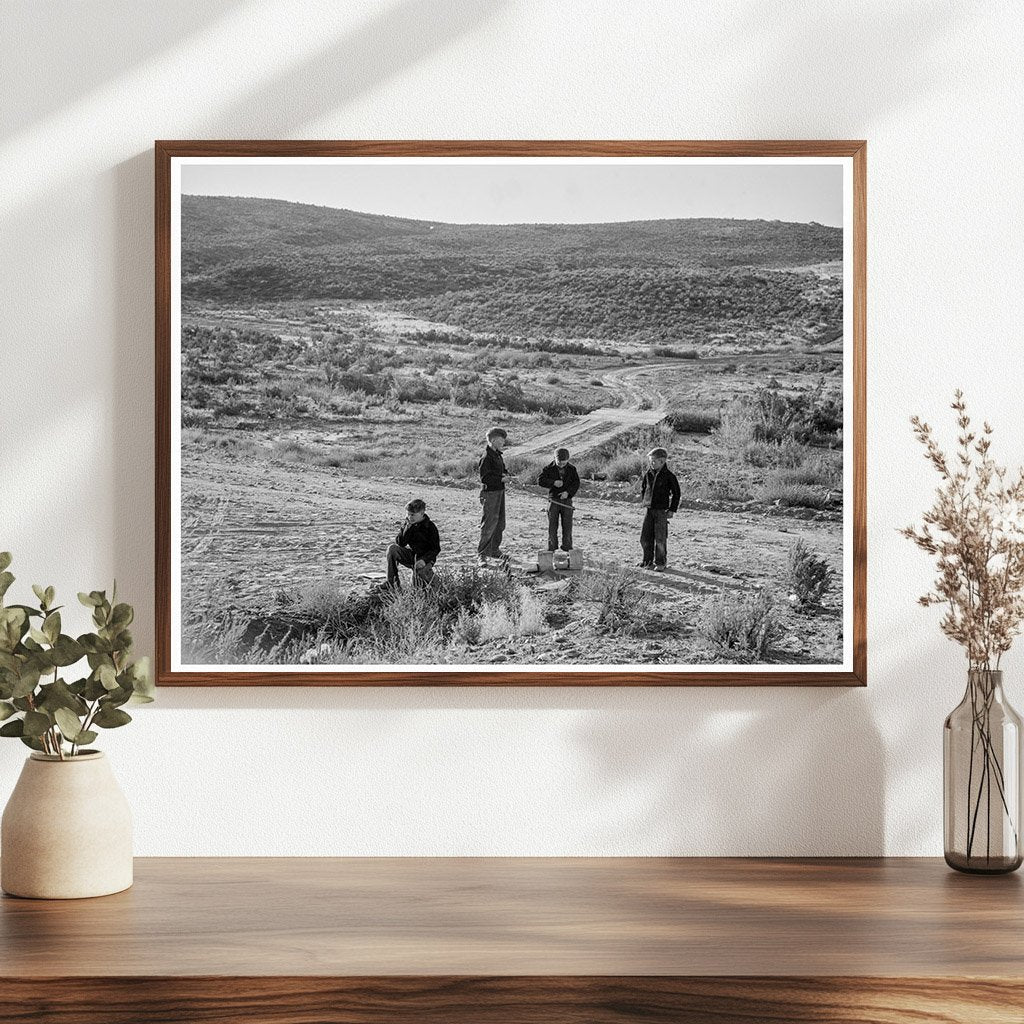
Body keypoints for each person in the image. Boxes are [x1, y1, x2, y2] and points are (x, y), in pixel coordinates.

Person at [638, 446, 680, 572]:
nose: (651, 463)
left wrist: (672, 509)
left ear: (662, 461)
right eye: (651, 461)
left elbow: (676, 493)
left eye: (654, 461)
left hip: (661, 511)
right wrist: (644, 502)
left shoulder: (669, 476)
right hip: (649, 510)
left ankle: (661, 563)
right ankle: (647, 561)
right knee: (645, 537)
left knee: (660, 538)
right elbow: (644, 488)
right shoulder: (648, 474)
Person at [386, 499, 440, 589]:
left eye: (413, 515)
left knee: (417, 588)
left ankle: (442, 588)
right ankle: (392, 583)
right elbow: (400, 543)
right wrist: (408, 528)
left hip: (425, 559)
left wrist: (424, 560)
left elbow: (435, 549)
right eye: (408, 514)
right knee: (392, 549)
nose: (410, 517)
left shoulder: (430, 527)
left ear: (422, 513)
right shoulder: (408, 523)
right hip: (412, 555)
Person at [477, 426, 511, 566]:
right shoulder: (486, 457)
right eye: (501, 440)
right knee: (489, 524)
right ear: (494, 440)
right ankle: (482, 554)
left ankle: (494, 549)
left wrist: (506, 474)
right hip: (490, 493)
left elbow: (501, 470)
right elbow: (484, 478)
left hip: (500, 492)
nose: (503, 443)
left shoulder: (497, 454)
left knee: (500, 523)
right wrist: (500, 479)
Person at [537, 447, 580, 552]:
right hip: (553, 500)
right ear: (554, 458)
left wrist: (568, 493)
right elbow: (540, 481)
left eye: (564, 463)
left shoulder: (572, 469)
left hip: (567, 501)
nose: (561, 465)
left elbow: (576, 483)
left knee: (567, 526)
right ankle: (552, 547)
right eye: (559, 463)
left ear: (568, 460)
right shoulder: (548, 469)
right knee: (552, 525)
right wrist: (553, 482)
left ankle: (567, 547)